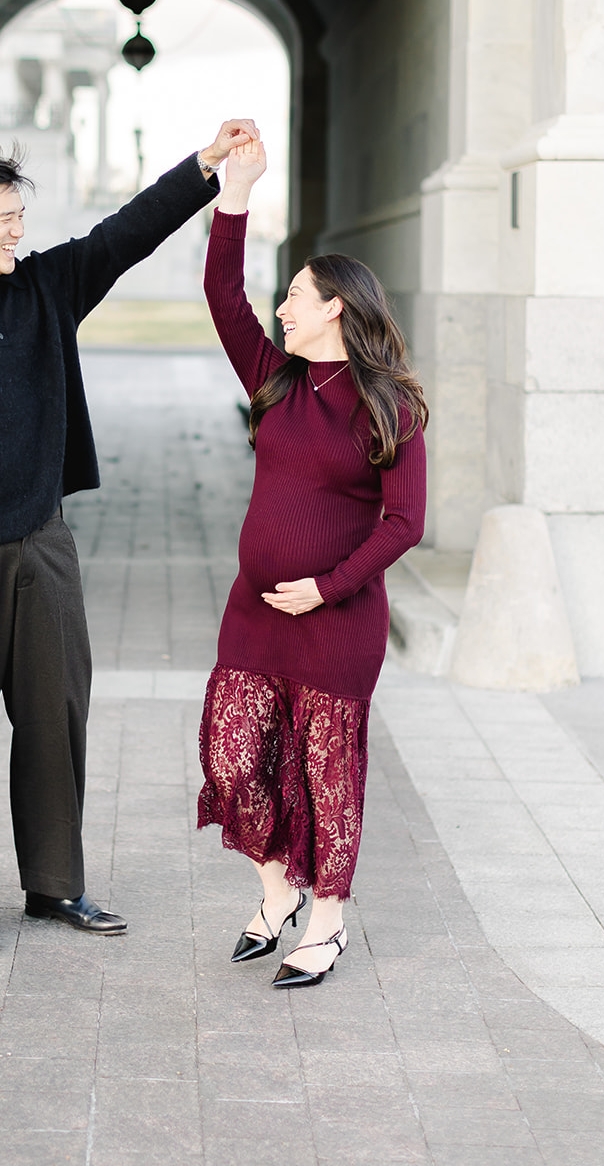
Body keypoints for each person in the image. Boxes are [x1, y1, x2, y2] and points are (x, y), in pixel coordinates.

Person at [0, 119, 258, 952]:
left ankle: (53, 885)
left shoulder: (44, 290)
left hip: (42, 546)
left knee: (56, 720)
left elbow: (125, 232)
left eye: (20, 214)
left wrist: (203, 166)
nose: (18, 229)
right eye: (3, 215)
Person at [198, 137, 427, 987]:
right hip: (254, 612)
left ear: (335, 307)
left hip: (336, 623)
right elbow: (223, 295)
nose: (281, 308)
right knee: (232, 758)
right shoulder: (274, 380)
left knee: (326, 772)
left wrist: (326, 589)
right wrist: (237, 195)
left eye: (295, 296)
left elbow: (404, 523)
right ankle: (274, 890)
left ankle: (323, 921)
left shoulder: (387, 404)